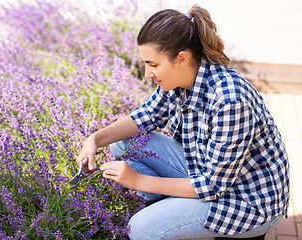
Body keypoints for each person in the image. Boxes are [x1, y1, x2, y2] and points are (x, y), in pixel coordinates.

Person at [76, 4, 290, 240]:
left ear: (181, 59)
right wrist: (94, 139)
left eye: (153, 65)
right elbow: (144, 117)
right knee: (124, 142)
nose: (147, 74)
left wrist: (138, 180)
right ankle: (176, 215)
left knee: (141, 228)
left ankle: (174, 219)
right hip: (206, 170)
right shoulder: (180, 79)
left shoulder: (230, 102)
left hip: (246, 200)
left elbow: (212, 186)